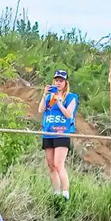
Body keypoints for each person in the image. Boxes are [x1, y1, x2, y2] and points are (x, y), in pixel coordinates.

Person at [38, 69, 77, 199]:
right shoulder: (49, 97)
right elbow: (40, 110)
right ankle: (56, 193)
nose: (58, 83)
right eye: (56, 80)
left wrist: (59, 102)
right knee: (51, 165)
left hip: (62, 133)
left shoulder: (71, 97)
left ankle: (65, 193)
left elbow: (68, 114)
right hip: (48, 133)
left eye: (61, 81)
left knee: (59, 164)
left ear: (66, 82)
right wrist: (44, 95)